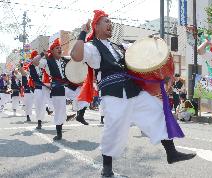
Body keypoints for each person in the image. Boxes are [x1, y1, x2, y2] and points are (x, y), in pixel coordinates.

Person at [71, 10, 196, 177]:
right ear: (96, 26)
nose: (110, 24)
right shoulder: (92, 47)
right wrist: (83, 32)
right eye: (106, 21)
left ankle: (171, 153)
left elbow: (141, 51)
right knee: (113, 129)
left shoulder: (118, 46)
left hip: (133, 90)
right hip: (113, 93)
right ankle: (107, 169)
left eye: (110, 22)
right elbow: (76, 55)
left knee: (157, 111)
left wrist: (154, 42)